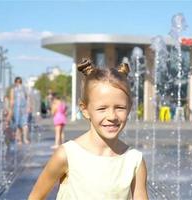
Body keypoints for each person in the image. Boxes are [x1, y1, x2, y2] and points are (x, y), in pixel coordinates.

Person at [28, 59, 148, 200]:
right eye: (102, 108)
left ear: (129, 108)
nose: (112, 116)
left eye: (120, 107)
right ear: (85, 110)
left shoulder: (134, 161)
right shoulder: (67, 155)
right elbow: (35, 197)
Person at [8, 77, 31, 145]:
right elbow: (12, 100)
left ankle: (25, 138)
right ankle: (19, 139)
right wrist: (10, 110)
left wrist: (29, 107)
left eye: (20, 82)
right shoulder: (13, 90)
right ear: (15, 83)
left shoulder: (24, 89)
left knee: (25, 124)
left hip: (24, 108)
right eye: (17, 82)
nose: (19, 83)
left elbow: (27, 98)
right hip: (16, 108)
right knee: (18, 124)